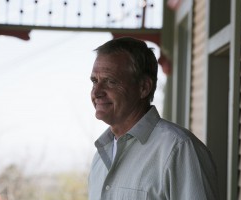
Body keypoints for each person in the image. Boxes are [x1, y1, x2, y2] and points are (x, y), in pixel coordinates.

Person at [88, 37, 219, 200]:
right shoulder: (100, 156)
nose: (97, 92)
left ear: (143, 88)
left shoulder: (180, 149)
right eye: (95, 81)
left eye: (111, 82)